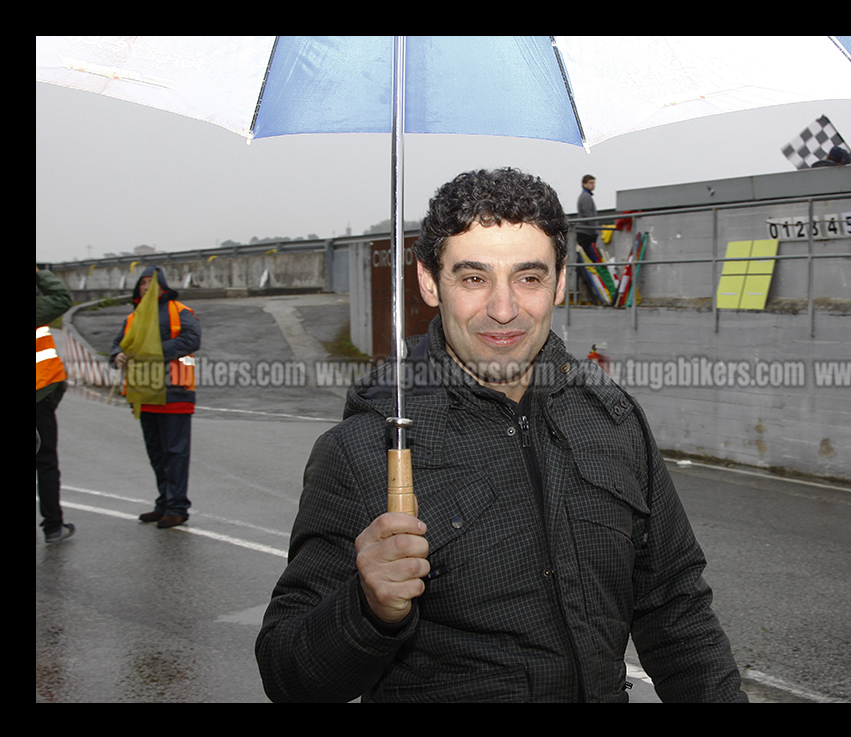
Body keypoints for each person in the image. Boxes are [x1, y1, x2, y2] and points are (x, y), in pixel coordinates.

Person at [256, 168, 746, 703]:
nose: (504, 308)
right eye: (473, 278)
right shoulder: (366, 449)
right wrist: (368, 608)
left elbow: (676, 611)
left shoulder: (612, 417)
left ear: (560, 280)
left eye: (529, 278)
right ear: (428, 281)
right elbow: (289, 676)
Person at [109, 266, 201, 529]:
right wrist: (117, 355)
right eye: (142, 283)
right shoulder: (133, 317)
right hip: (143, 393)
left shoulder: (180, 311)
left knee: (175, 453)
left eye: (151, 282)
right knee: (157, 453)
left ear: (162, 287)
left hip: (175, 393)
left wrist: (153, 350)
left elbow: (192, 339)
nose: (146, 287)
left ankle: (177, 508)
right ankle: (163, 504)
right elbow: (117, 344)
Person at [37, 266, 75, 544]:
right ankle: (53, 526)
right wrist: (39, 273)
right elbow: (62, 297)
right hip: (40, 395)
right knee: (46, 461)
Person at [575, 174, 599, 302]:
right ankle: (586, 295)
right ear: (584, 184)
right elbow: (589, 215)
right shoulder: (585, 197)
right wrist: (596, 230)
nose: (593, 185)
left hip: (586, 232)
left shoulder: (586, 196)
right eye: (590, 183)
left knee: (586, 264)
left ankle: (587, 294)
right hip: (586, 233)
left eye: (593, 183)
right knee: (586, 264)